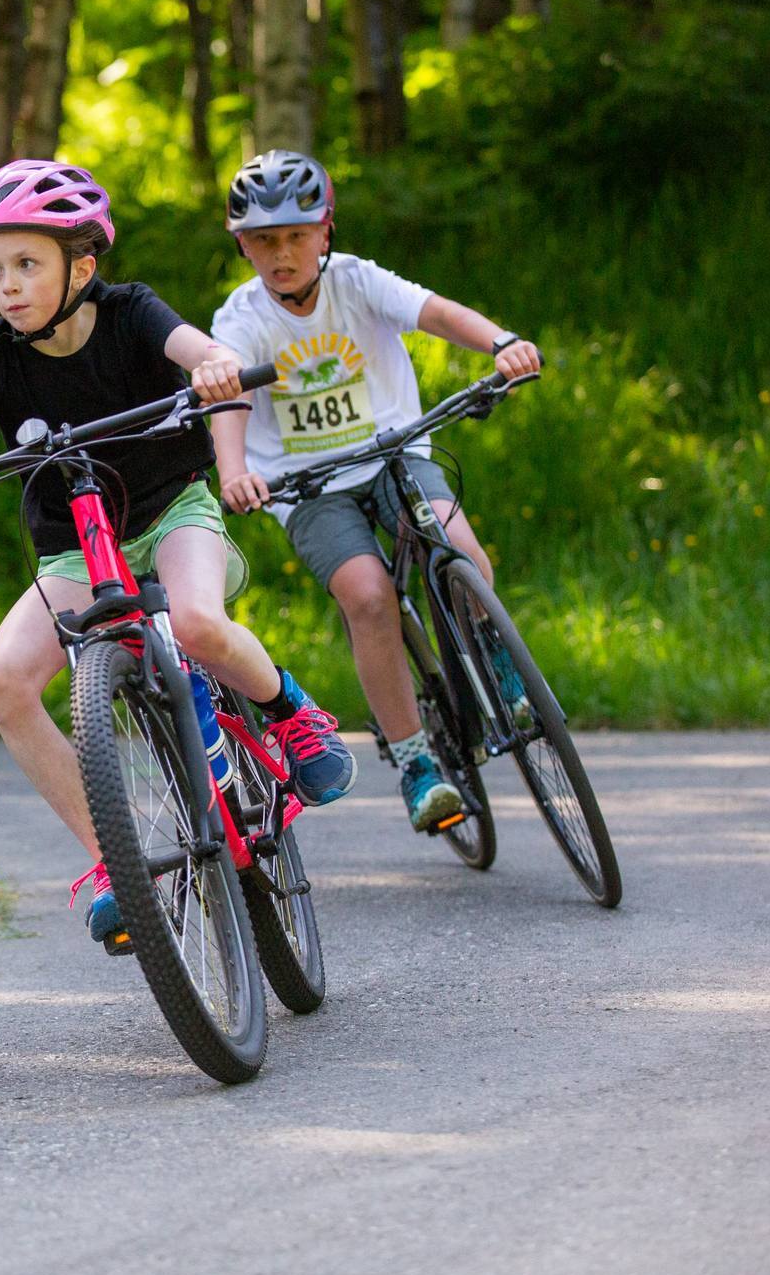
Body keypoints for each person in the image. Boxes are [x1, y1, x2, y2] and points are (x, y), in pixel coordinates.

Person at [0, 158, 355, 949]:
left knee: (196, 622)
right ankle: (116, 862)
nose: (8, 285)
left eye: (28, 264)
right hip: (73, 553)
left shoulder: (130, 312)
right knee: (1, 680)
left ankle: (291, 713)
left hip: (171, 513)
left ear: (81, 266)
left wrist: (212, 365)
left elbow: (195, 347)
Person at [208, 150, 539, 833]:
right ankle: (418, 763)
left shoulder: (357, 282)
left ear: (325, 232)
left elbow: (436, 313)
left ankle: (498, 664)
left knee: (458, 548)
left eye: (297, 235)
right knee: (366, 597)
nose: (282, 253)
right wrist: (234, 470)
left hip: (395, 452)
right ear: (243, 246)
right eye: (264, 241)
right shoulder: (239, 319)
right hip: (308, 486)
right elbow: (229, 395)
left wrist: (500, 342)